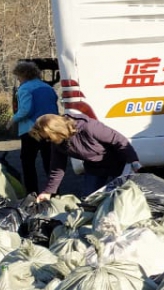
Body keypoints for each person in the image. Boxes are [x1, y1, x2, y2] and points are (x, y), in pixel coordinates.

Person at [32, 112, 140, 201]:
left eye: (48, 138)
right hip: (94, 168)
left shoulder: (89, 127)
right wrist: (48, 192)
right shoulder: (57, 143)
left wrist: (134, 161)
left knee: (123, 199)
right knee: (89, 201)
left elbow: (119, 140)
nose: (47, 141)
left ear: (57, 131)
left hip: (118, 163)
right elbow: (57, 168)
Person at [8, 60, 58, 196]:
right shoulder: (48, 88)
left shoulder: (24, 88)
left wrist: (12, 121)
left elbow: (25, 110)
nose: (18, 79)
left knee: (28, 161)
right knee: (50, 161)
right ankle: (54, 192)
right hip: (50, 129)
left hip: (31, 129)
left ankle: (32, 192)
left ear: (23, 75)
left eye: (18, 76)